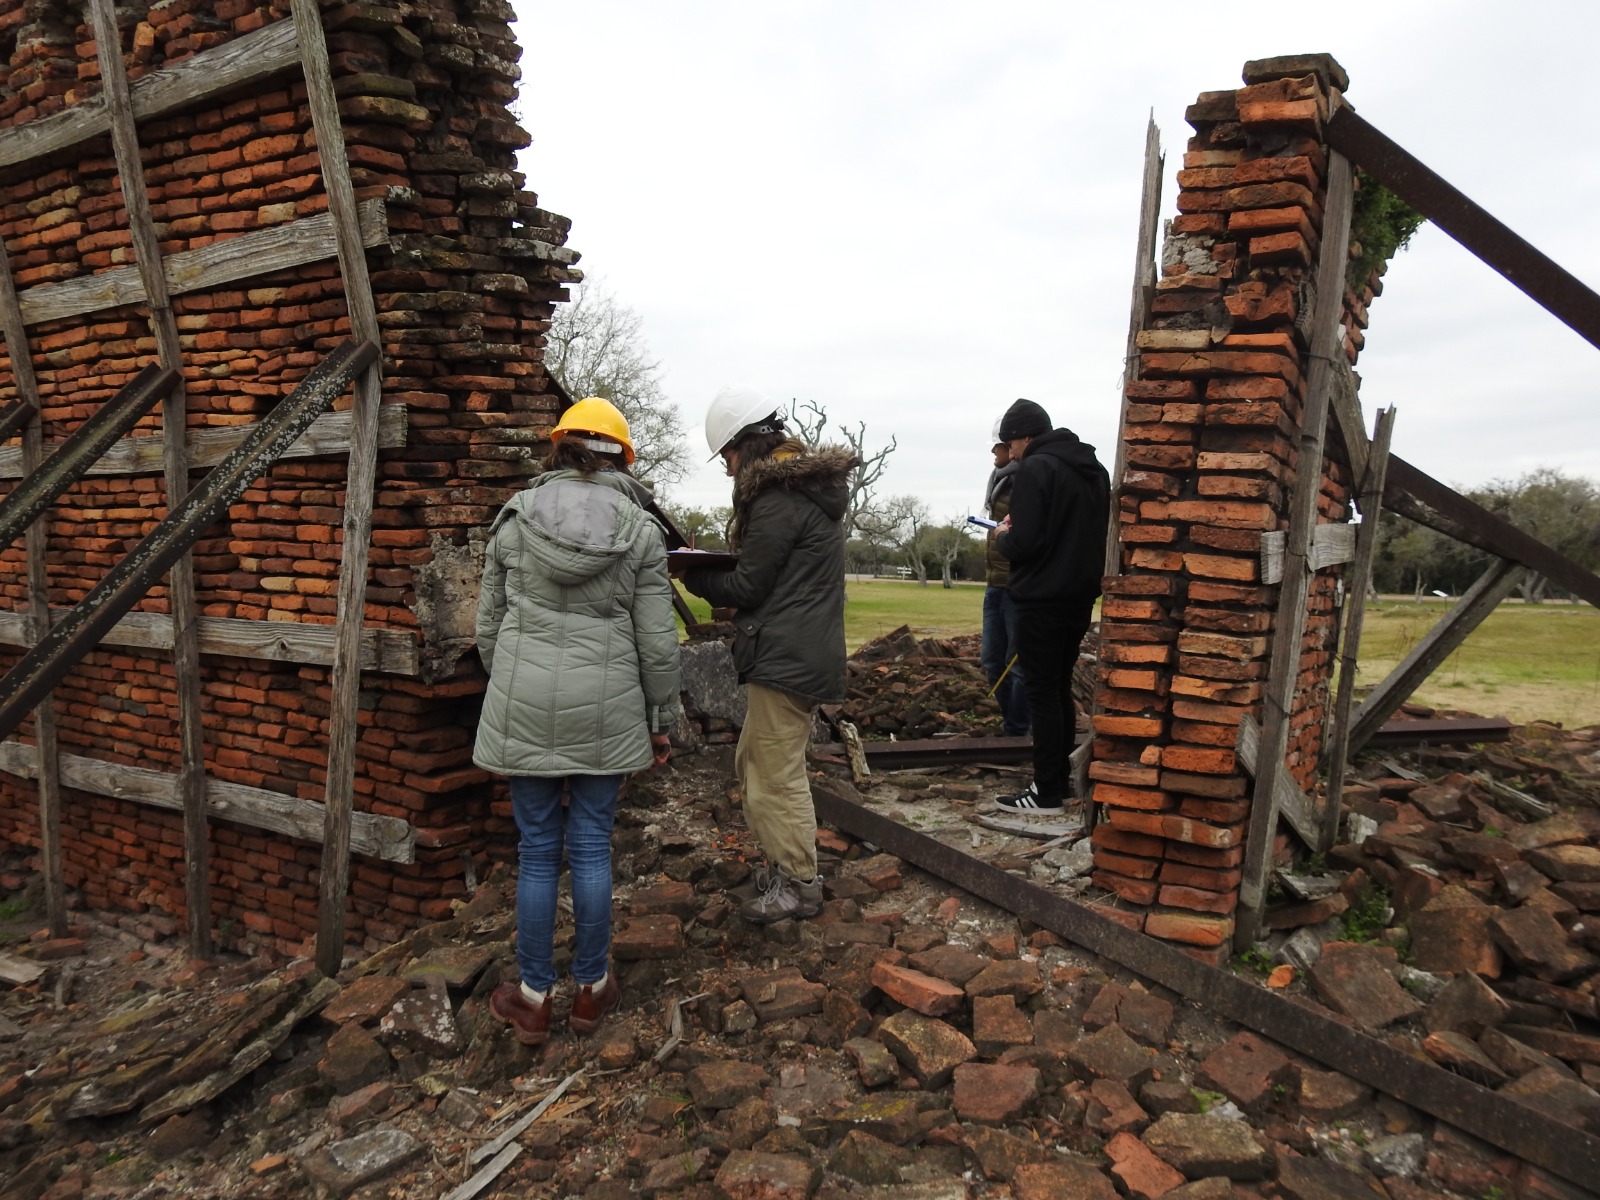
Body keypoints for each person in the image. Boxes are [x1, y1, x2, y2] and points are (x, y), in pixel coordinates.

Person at [473, 397, 680, 1045]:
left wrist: (511, 678)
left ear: (559, 448)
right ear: (623, 456)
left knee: (537, 852)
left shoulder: (514, 522)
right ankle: (592, 990)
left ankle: (533, 997)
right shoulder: (641, 532)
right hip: (608, 705)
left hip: (524, 702)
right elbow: (657, 642)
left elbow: (488, 628)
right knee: (590, 845)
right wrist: (661, 716)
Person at [678, 387, 858, 923]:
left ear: (748, 444)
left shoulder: (779, 498)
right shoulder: (802, 491)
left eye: (728, 457)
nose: (728, 470)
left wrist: (693, 573)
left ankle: (800, 884)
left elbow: (751, 583)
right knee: (756, 764)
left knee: (774, 776)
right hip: (795, 650)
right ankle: (786, 869)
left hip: (787, 655)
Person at [992, 397, 1109, 814]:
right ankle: (1060, 782)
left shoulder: (1036, 469)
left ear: (1025, 436)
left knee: (1042, 692)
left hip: (1039, 597)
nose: (1012, 451)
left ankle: (1046, 791)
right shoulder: (1094, 471)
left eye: (1011, 442)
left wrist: (1003, 535)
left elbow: (1024, 543)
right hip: (1078, 596)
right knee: (1058, 687)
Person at [981, 432, 1030, 738]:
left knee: (1018, 665)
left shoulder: (1028, 481)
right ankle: (1013, 725)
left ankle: (1017, 732)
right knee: (991, 661)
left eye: (998, 445)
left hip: (1016, 586)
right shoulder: (998, 480)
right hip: (993, 584)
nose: (994, 451)